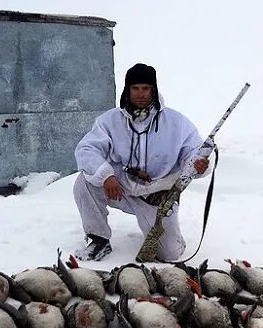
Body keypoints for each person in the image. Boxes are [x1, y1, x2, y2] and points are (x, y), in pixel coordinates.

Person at [73, 63, 210, 261]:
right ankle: (99, 239)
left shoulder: (176, 122)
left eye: (145, 88)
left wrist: (198, 164)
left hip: (157, 197)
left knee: (169, 254)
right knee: (84, 183)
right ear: (127, 91)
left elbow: (194, 151)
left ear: (153, 90)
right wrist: (107, 175)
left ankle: (171, 236)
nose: (140, 94)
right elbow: (87, 149)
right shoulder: (109, 120)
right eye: (135, 88)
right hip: (121, 189)